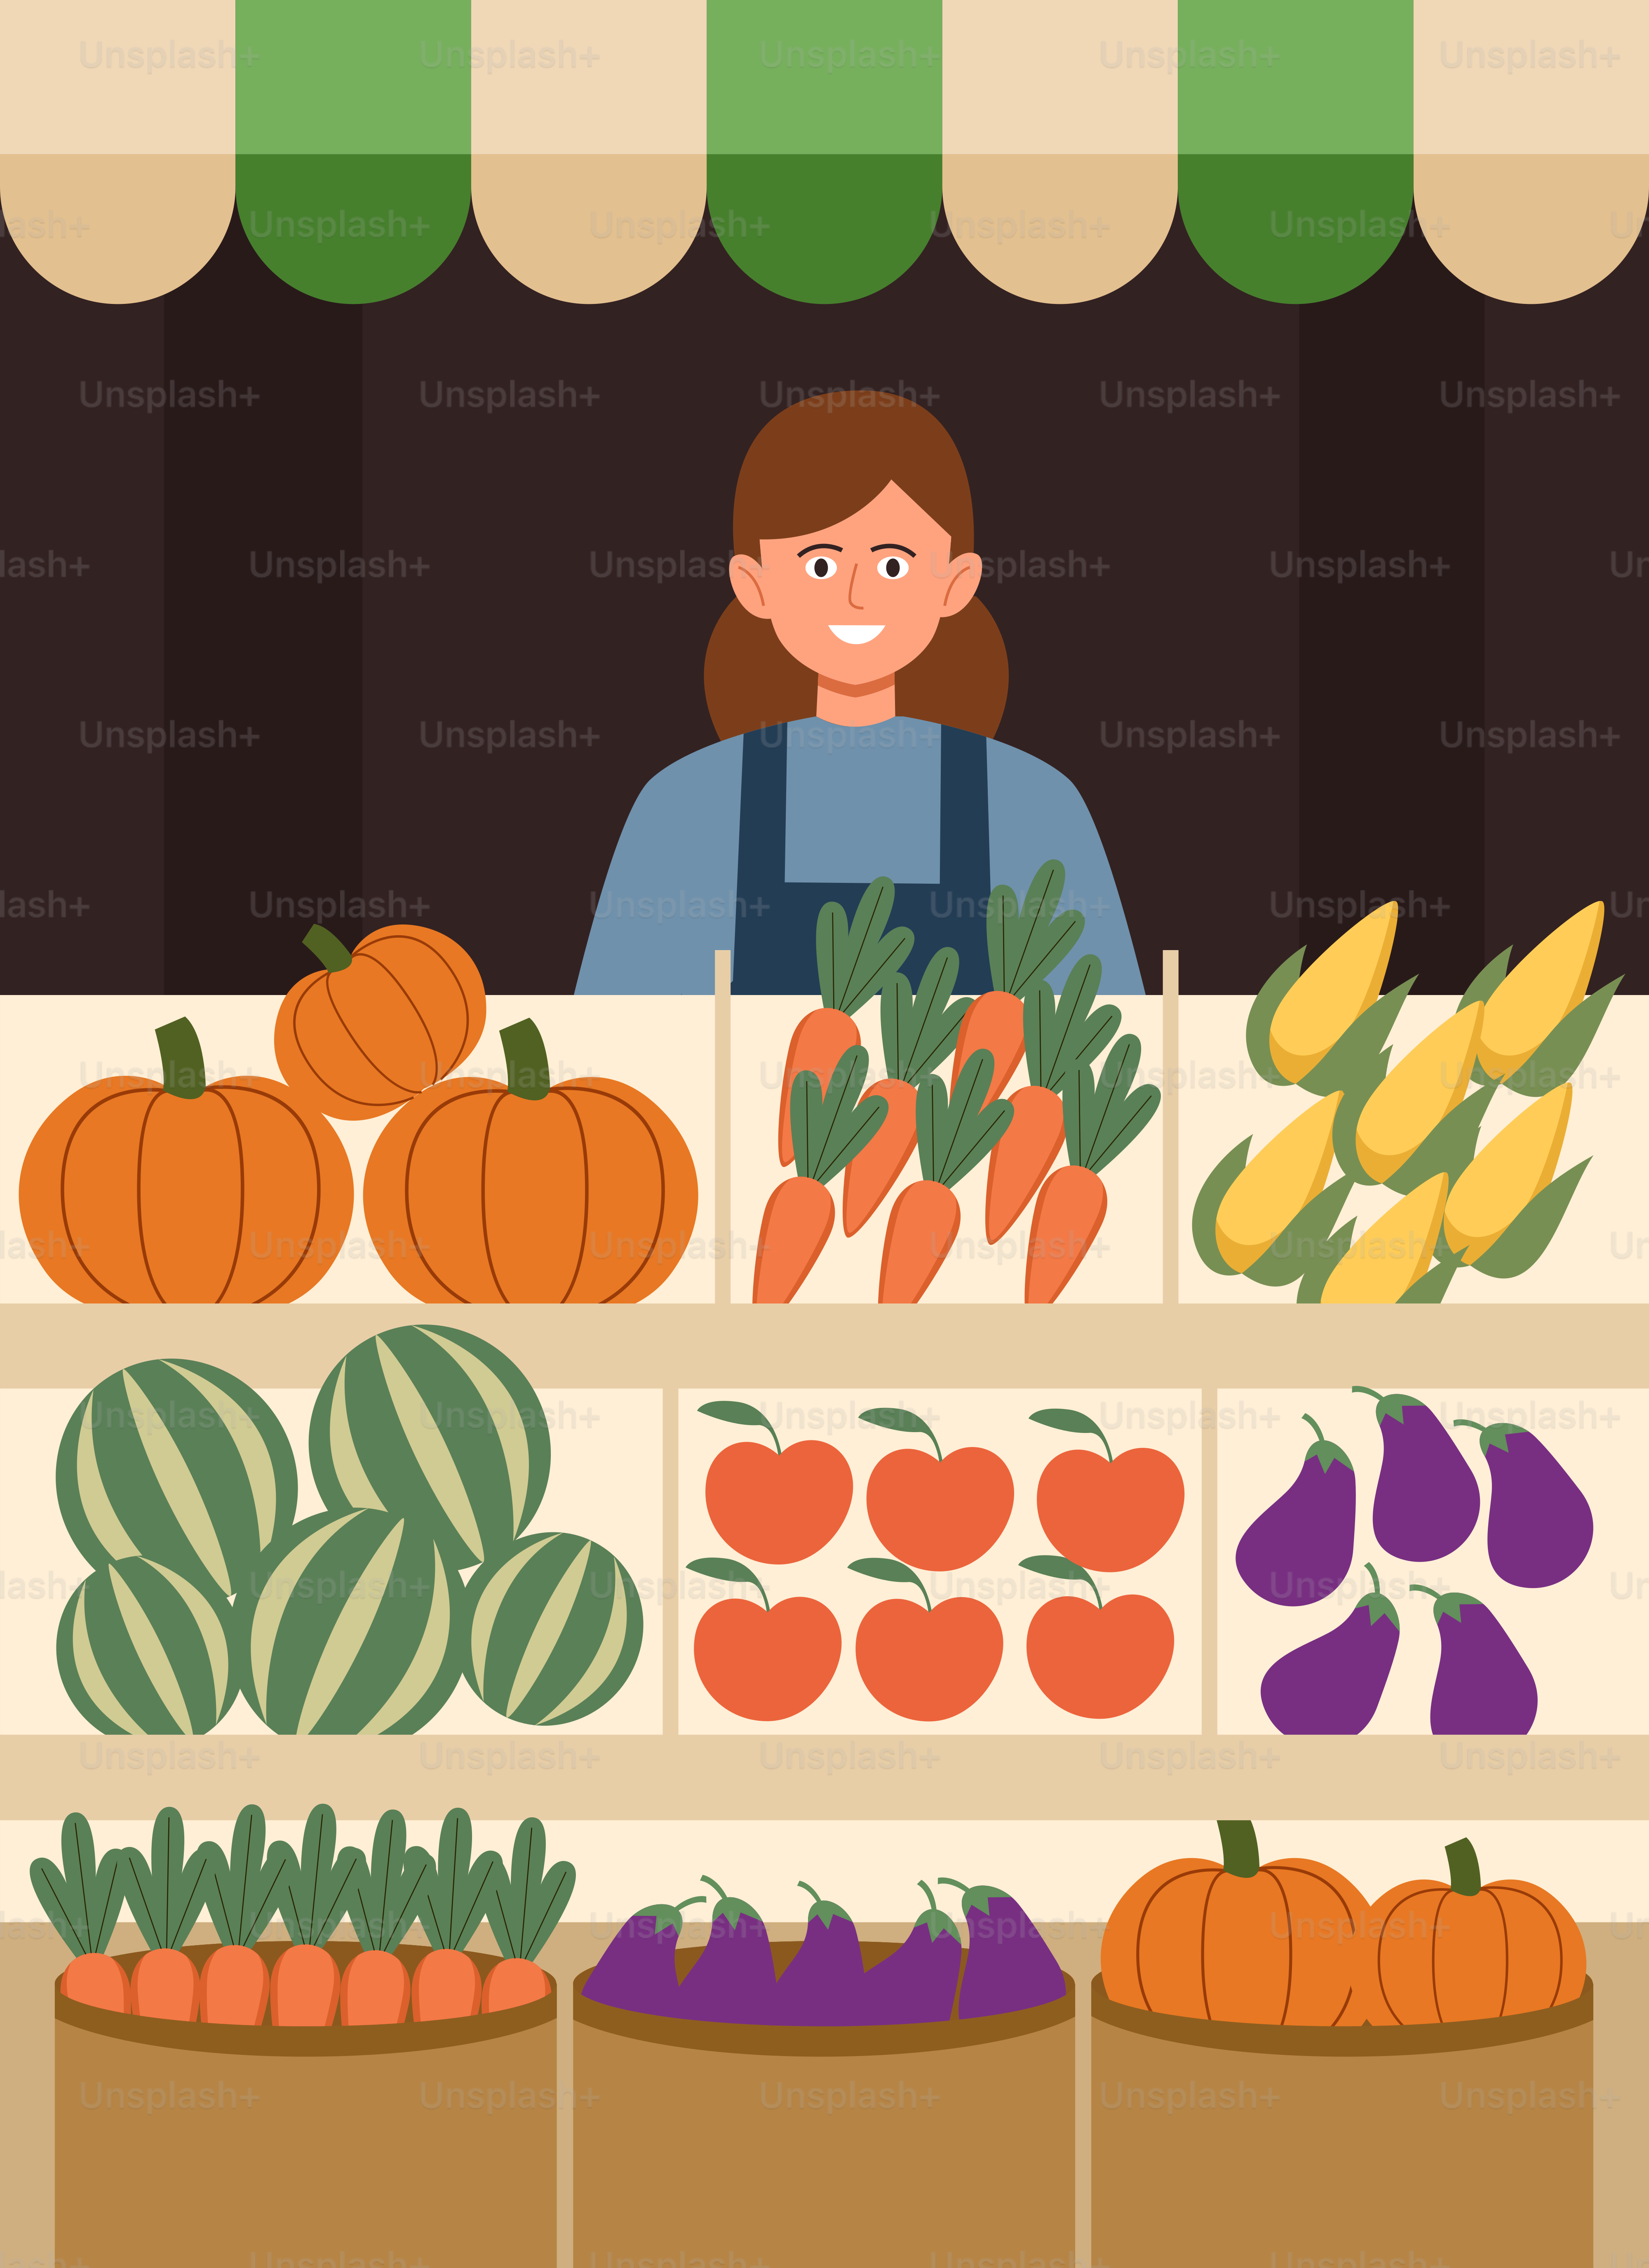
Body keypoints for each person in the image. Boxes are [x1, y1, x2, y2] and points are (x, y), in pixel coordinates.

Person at [578, 390, 1140, 995]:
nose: (855, 596)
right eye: (820, 563)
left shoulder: (1033, 806)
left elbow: (1095, 1047)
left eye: (892, 564)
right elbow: (622, 1041)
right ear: (754, 585)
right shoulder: (686, 808)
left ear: (956, 583)